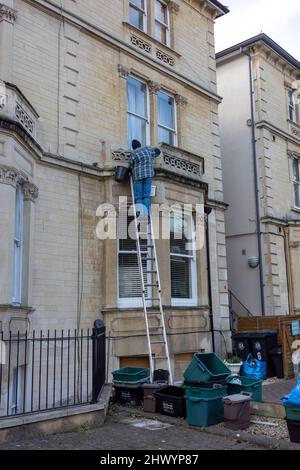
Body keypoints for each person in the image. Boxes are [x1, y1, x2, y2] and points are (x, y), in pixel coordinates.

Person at [129, 140, 161, 220]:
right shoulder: (147, 150)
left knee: (138, 197)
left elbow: (130, 163)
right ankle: (147, 215)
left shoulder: (134, 153)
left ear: (133, 147)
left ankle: (140, 214)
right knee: (146, 196)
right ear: (140, 144)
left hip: (138, 176)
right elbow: (157, 152)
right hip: (149, 175)